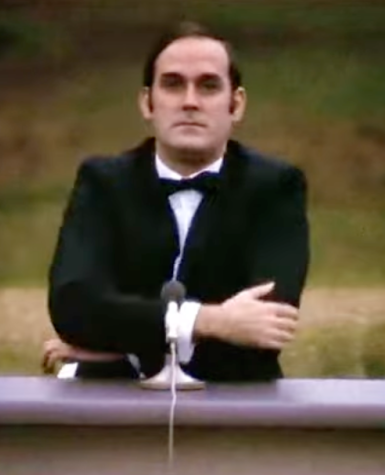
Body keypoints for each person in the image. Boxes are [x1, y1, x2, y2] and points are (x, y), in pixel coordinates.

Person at [42, 21, 310, 382]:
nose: (189, 101)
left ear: (236, 104)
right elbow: (74, 307)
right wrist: (209, 321)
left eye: (208, 86)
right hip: (108, 396)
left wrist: (122, 347)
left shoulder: (276, 187)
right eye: (172, 84)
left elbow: (265, 328)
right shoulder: (103, 182)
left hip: (234, 399)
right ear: (147, 102)